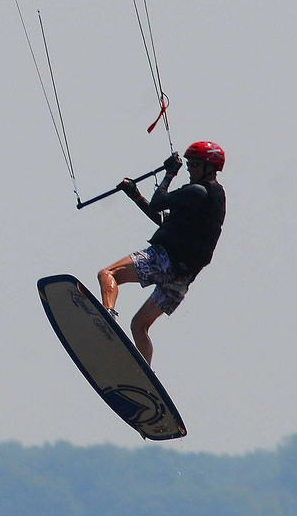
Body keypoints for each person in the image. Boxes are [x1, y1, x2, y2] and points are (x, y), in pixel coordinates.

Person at [97, 140, 226, 363]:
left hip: (164, 260)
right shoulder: (210, 200)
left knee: (107, 274)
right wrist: (136, 196)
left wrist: (169, 174)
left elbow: (159, 202)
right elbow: (164, 222)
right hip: (182, 278)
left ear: (209, 168)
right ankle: (146, 376)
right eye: (188, 164)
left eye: (194, 165)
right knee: (139, 326)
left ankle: (108, 317)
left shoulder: (197, 191)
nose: (190, 169)